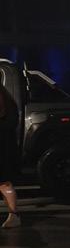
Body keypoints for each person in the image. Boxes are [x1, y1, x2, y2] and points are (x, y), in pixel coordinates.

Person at [0, 83, 21, 228]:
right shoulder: (7, 97)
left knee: (4, 182)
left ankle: (14, 215)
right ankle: (13, 215)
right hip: (5, 144)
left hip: (2, 145)